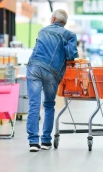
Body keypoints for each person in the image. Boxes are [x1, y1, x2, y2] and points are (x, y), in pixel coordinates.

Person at [26, 9, 78, 152]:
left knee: (34, 105)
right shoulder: (70, 35)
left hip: (34, 68)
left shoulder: (42, 31)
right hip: (52, 72)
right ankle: (46, 141)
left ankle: (33, 143)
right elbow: (71, 56)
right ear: (64, 22)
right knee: (48, 105)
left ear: (53, 19)